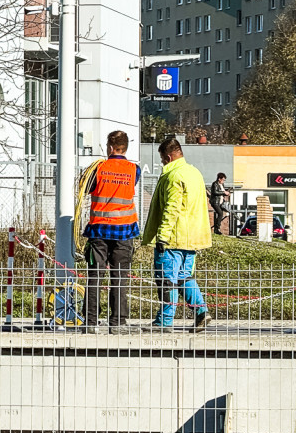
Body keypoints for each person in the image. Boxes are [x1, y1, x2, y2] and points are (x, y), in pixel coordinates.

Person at [141, 137, 213, 330]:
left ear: (169, 157)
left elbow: (171, 209)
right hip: (192, 239)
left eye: (163, 159)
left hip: (173, 238)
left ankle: (165, 320)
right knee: (184, 277)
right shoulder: (194, 173)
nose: (162, 163)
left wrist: (162, 236)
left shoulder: (173, 176)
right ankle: (201, 311)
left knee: (167, 280)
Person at [79, 130, 140, 334]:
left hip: (99, 230)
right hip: (124, 231)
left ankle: (90, 322)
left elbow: (84, 187)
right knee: (120, 277)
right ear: (125, 148)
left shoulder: (98, 169)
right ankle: (118, 322)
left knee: (95, 276)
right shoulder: (134, 170)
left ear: (110, 147)